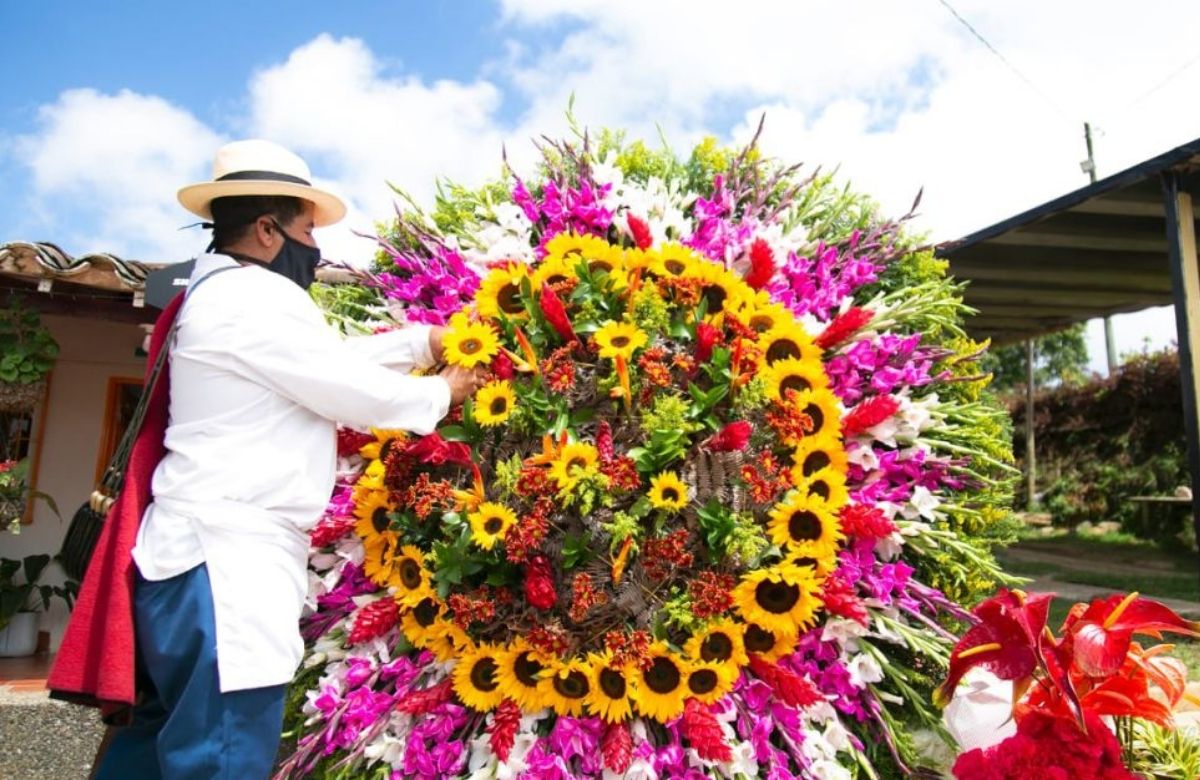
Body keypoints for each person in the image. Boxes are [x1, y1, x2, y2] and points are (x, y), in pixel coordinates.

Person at [87, 140, 480, 778]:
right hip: (226, 567)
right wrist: (444, 388)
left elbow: (318, 362)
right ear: (268, 231)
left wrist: (420, 341)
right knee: (220, 756)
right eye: (305, 230)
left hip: (192, 566)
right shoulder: (253, 299)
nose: (314, 249)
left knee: (154, 753)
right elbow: (352, 391)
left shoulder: (220, 297)